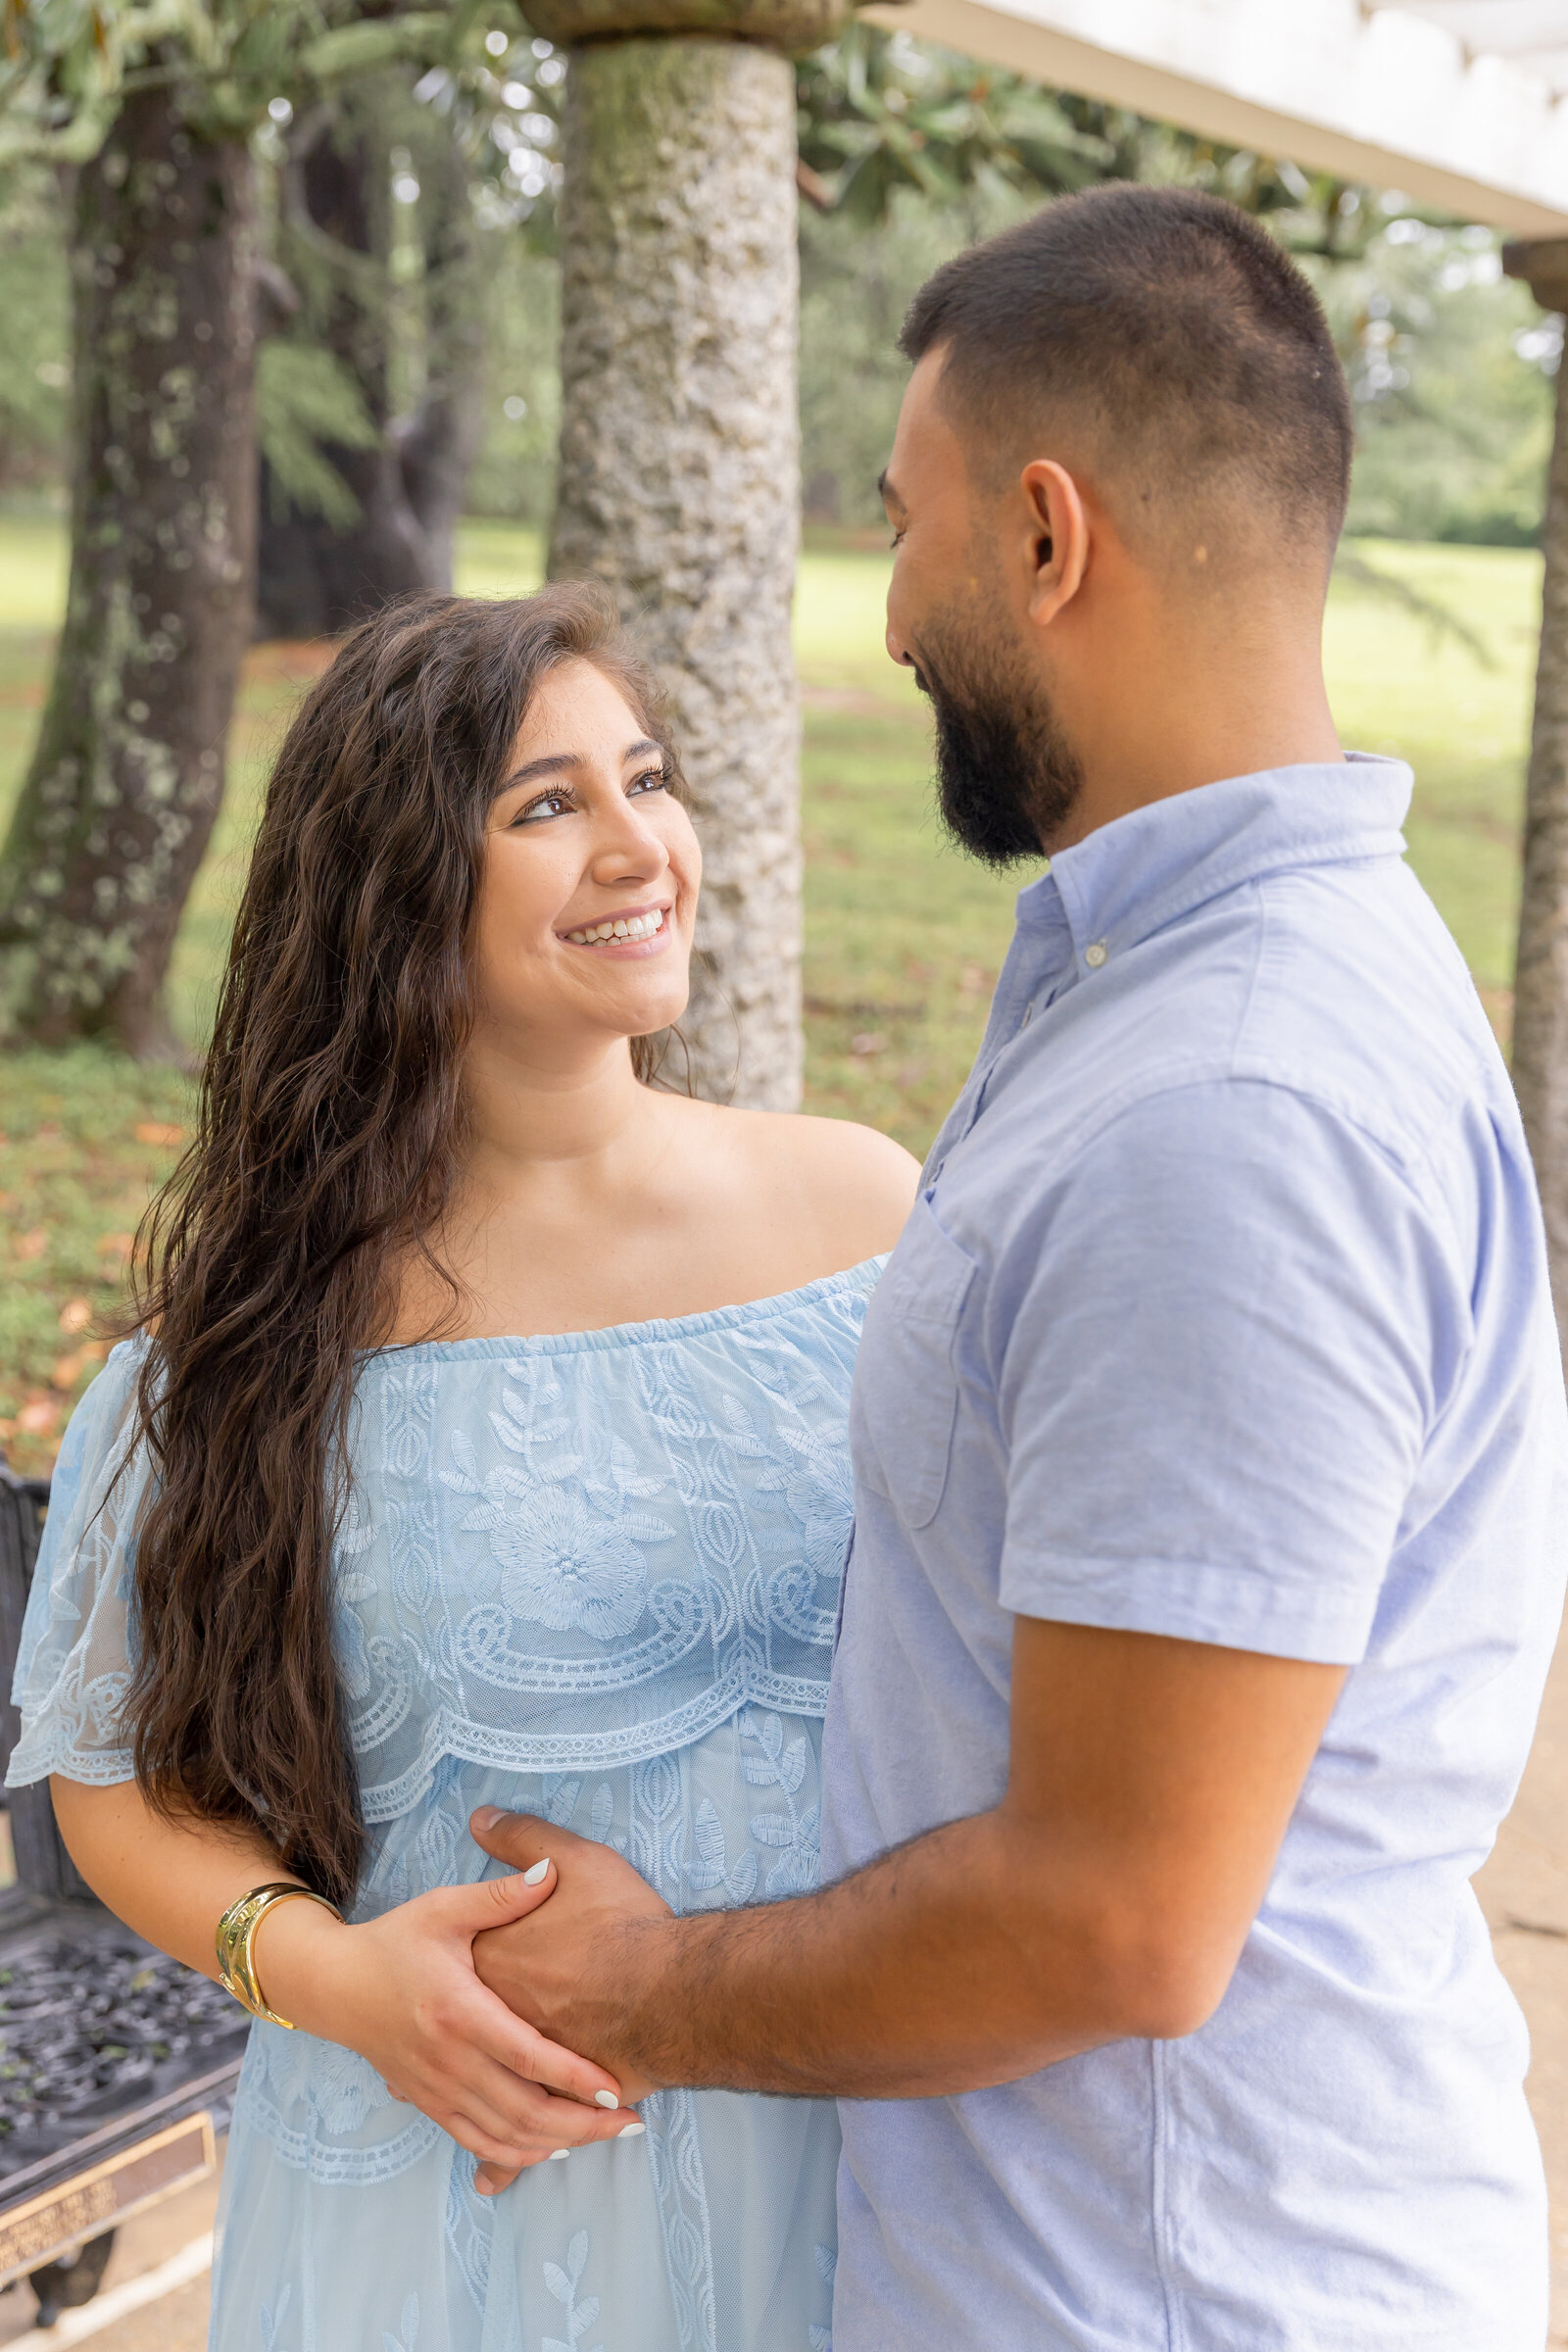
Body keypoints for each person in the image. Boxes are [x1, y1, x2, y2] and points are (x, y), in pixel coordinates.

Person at [465, 186, 1568, 2350]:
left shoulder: (1221, 1112)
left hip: (1161, 2294)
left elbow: (1112, 1916)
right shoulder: (1182, 984)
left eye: (903, 523)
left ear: (1044, 539)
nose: (882, 614)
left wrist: (649, 1994)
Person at [7, 586, 917, 2349]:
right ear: (396, 882)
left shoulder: (866, 1218)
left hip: (845, 2153)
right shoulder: (254, 1345)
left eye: (646, 780)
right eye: (547, 805)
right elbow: (117, 1783)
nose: (639, 845)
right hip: (441, 2196)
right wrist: (338, 1978)